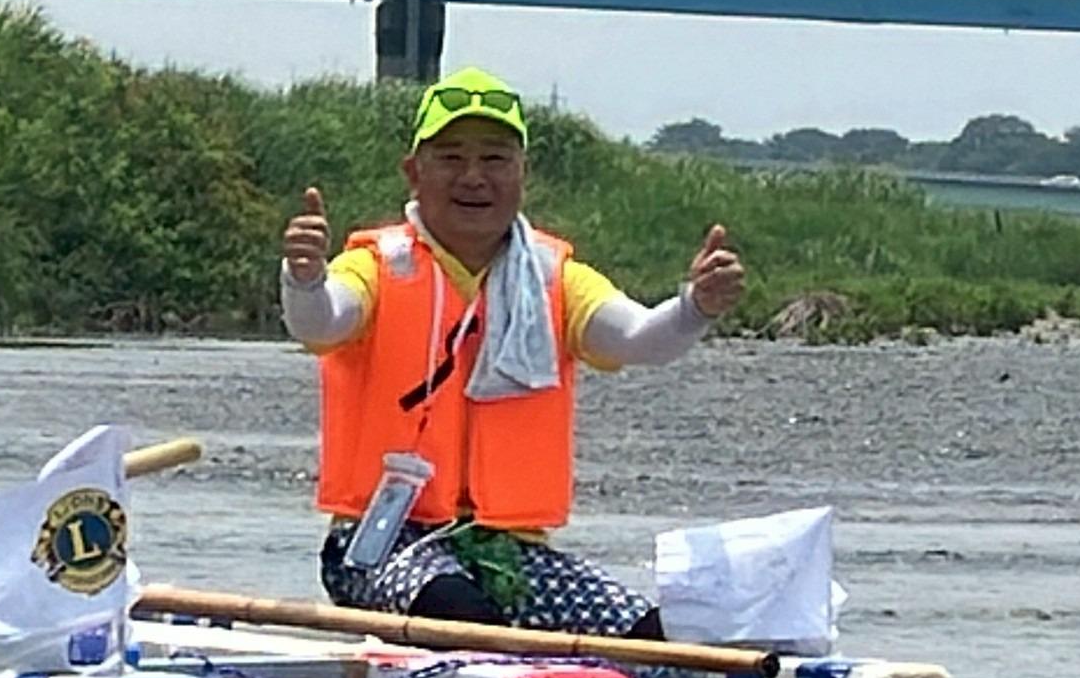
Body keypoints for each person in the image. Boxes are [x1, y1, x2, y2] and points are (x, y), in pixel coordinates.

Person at [278, 67, 745, 639]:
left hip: (508, 551)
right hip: (383, 540)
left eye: (495, 159)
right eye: (451, 158)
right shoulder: (377, 266)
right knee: (462, 613)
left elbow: (638, 339)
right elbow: (323, 319)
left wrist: (695, 305)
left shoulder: (554, 278)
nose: (473, 177)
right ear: (414, 171)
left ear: (522, 173)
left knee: (653, 635)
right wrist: (303, 278)